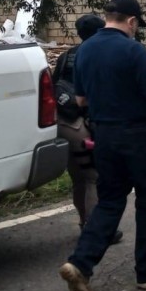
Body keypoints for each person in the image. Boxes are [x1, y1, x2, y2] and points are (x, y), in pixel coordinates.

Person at [59, 0, 146, 291]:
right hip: (137, 135)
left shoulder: (85, 50)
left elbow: (81, 100)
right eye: (137, 25)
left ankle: (80, 264)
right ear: (131, 21)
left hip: (104, 138)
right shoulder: (132, 50)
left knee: (110, 201)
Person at [52, 14, 121, 244]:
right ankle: (97, 231)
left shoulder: (65, 56)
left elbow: (54, 85)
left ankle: (84, 223)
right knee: (93, 177)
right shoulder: (95, 55)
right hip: (80, 124)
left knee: (78, 179)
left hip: (60, 123)